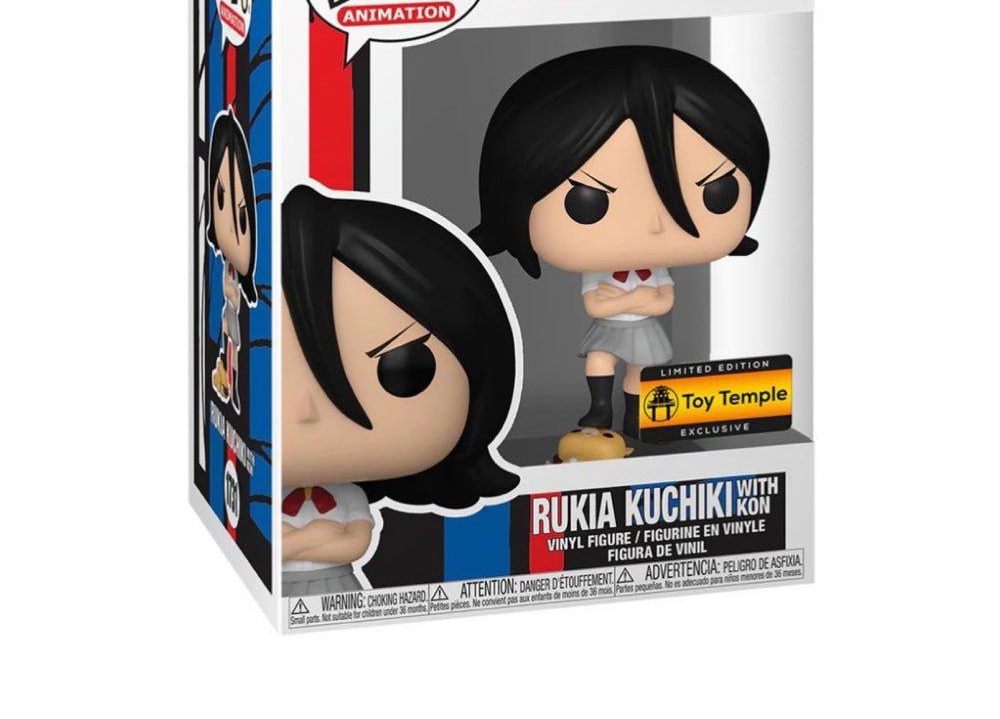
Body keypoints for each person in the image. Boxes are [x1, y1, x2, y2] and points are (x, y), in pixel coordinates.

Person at [471, 46, 769, 438]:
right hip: (615, 327)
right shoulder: (601, 268)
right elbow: (596, 304)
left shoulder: (648, 267)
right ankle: (599, 408)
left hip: (639, 327)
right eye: (588, 202)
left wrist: (626, 300)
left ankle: (636, 415)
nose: (656, 226)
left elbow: (662, 301)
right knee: (599, 360)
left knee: (641, 371)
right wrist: (640, 300)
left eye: (718, 192)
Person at [281, 186, 519, 596]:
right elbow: (276, 546)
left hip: (339, 587)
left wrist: (298, 541)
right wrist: (318, 537)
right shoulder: (264, 495)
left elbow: (355, 545)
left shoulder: (348, 494)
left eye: (402, 367)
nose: (307, 411)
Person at [206, 109, 258, 415]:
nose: (230, 230)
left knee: (232, 346)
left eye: (242, 218)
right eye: (220, 197)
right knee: (229, 345)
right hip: (229, 312)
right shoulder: (221, 269)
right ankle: (227, 382)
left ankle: (231, 383)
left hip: (233, 313)